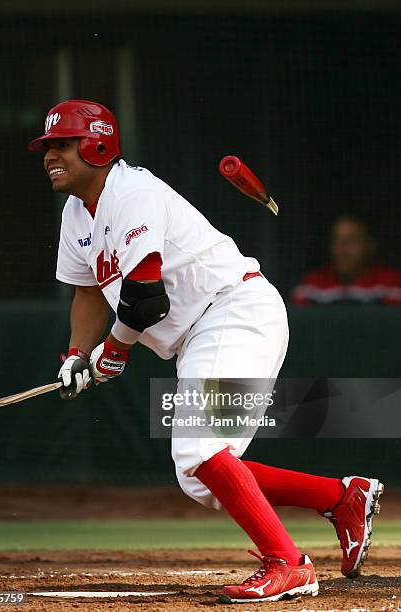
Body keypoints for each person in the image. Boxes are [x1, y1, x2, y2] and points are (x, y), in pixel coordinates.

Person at [29, 100, 384, 604]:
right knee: (200, 476)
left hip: (233, 312)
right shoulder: (75, 214)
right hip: (201, 334)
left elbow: (146, 296)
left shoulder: (132, 192)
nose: (49, 155)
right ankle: (341, 498)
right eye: (47, 147)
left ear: (97, 144)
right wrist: (74, 355)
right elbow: (88, 293)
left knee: (198, 451)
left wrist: (113, 350)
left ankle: (288, 563)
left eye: (61, 144)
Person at [291, 216, 401, 305]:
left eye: (351, 240)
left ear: (369, 244)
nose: (342, 249)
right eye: (336, 241)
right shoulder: (311, 285)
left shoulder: (391, 284)